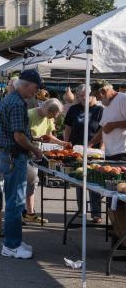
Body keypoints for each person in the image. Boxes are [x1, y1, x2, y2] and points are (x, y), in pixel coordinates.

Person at [0, 70, 43, 259]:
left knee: (15, 200)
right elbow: (19, 136)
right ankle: (11, 245)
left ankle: (13, 241)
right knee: (15, 202)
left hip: (10, 156)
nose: (36, 91)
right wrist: (35, 149)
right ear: (26, 84)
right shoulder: (17, 103)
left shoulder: (10, 99)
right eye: (35, 87)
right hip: (14, 157)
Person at [24, 98, 69, 224]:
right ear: (48, 110)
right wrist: (37, 139)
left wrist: (62, 143)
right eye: (53, 115)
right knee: (24, 182)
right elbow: (21, 135)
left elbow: (49, 136)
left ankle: (30, 212)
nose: (53, 118)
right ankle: (23, 212)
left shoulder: (48, 118)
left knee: (32, 182)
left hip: (36, 153)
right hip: (24, 152)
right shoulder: (30, 114)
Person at [64, 84, 104, 223]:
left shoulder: (99, 110)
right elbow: (68, 128)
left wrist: (102, 149)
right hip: (76, 150)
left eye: (84, 96)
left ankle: (96, 213)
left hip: (94, 151)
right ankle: (81, 209)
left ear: (92, 95)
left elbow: (103, 131)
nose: (82, 98)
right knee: (79, 180)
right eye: (79, 96)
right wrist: (66, 145)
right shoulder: (74, 109)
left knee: (94, 182)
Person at [90, 80, 126, 160]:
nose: (97, 98)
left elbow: (109, 126)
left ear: (103, 91)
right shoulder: (107, 105)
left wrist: (114, 125)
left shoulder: (123, 99)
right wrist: (90, 144)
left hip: (122, 153)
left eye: (96, 95)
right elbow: (103, 129)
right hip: (109, 153)